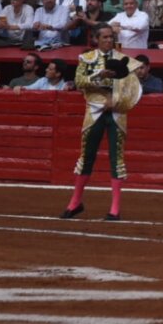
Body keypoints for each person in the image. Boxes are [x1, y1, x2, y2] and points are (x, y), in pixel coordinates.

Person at [60, 24, 143, 222]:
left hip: (116, 111)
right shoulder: (86, 59)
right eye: (104, 37)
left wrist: (115, 100)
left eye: (111, 37)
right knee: (86, 156)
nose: (108, 40)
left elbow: (133, 88)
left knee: (117, 159)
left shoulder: (125, 61)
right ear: (96, 39)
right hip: (94, 110)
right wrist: (99, 75)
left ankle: (115, 209)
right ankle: (75, 202)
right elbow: (79, 82)